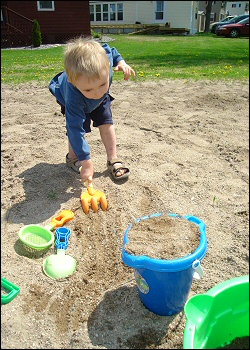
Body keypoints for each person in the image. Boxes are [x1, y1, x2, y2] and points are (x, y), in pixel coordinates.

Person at [49, 36, 136, 186]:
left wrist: (121, 62)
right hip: (76, 100)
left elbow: (112, 51)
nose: (97, 92)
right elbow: (75, 130)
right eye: (89, 89)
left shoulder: (105, 62)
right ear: (72, 81)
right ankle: (73, 158)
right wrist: (87, 162)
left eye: (102, 84)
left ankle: (113, 159)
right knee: (77, 127)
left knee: (106, 123)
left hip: (100, 102)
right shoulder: (73, 97)